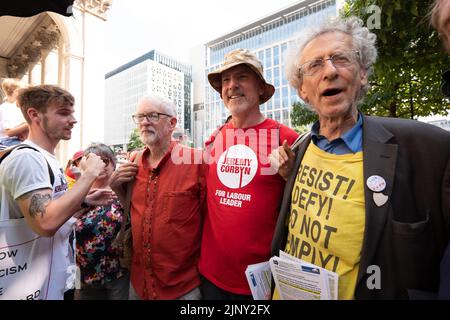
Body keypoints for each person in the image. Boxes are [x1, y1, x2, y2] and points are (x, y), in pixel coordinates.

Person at [270, 17, 450, 300]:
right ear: (302, 90)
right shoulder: (299, 148)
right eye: (315, 65)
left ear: (363, 73)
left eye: (341, 58)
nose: (329, 71)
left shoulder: (431, 148)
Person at [199, 49, 299, 299]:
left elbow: (303, 206)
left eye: (242, 77)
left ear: (261, 89)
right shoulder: (214, 139)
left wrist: (291, 177)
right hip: (210, 275)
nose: (232, 86)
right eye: (225, 80)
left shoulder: (287, 139)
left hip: (260, 283)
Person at [0, 84, 113, 300]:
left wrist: (84, 201)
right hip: (27, 286)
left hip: (50, 279)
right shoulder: (27, 158)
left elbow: (53, 209)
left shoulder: (46, 158)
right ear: (34, 115)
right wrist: (89, 174)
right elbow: (46, 222)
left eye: (72, 112)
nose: (73, 120)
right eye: (63, 113)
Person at [110, 95, 205, 300]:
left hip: (182, 288)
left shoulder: (197, 161)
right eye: (140, 116)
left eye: (152, 115)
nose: (144, 122)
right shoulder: (133, 162)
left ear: (172, 123)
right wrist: (116, 188)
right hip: (138, 284)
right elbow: (133, 211)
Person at [74, 143, 130, 300]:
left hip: (118, 272)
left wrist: (118, 190)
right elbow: (65, 221)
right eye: (95, 161)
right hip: (85, 274)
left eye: (105, 161)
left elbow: (133, 219)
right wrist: (84, 201)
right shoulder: (77, 192)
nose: (101, 166)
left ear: (113, 163)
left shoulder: (124, 190)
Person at [0, 78, 28, 148]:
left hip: (19, 138)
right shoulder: (5, 108)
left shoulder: (18, 106)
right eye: (22, 91)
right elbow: (9, 132)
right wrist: (30, 123)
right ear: (16, 91)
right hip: (9, 141)